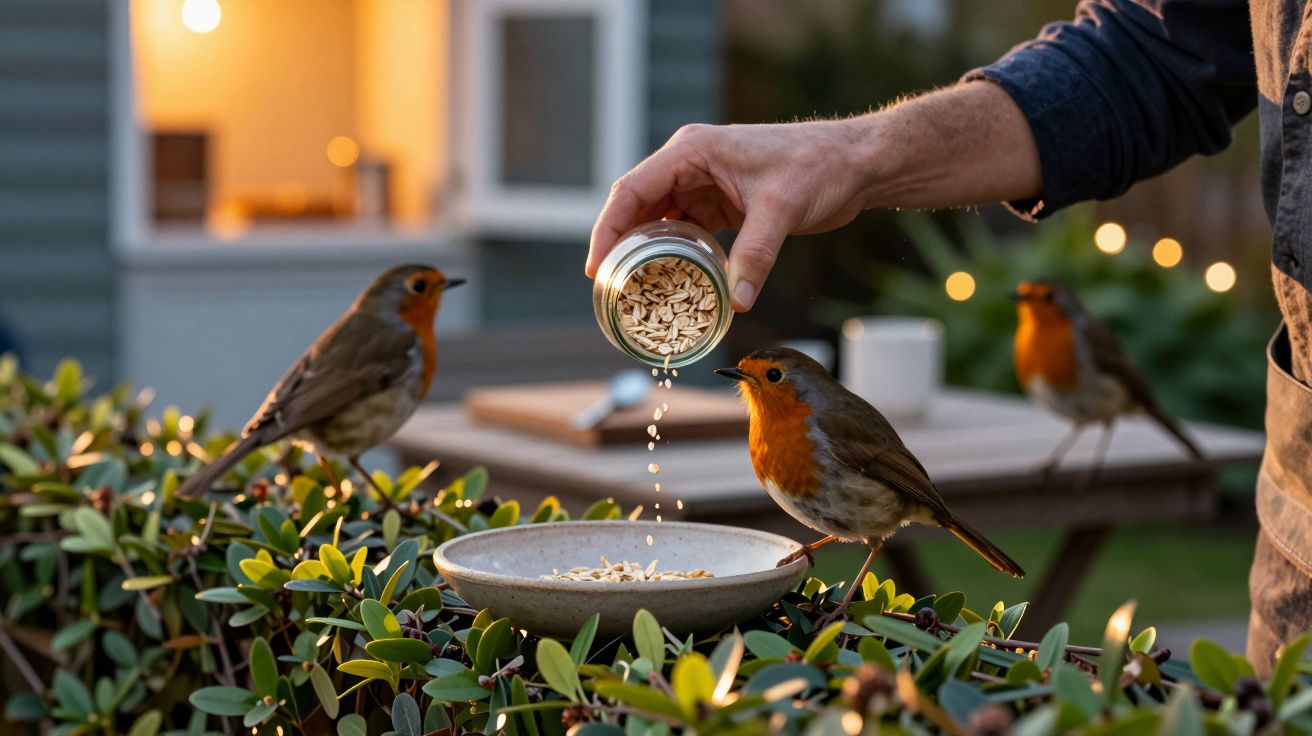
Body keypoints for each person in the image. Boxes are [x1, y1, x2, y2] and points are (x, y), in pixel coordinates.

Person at [587, 0, 1310, 674]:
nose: (754, 382)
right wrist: (852, 151)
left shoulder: (817, 423)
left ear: (798, 388)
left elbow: (890, 478)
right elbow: (1151, 49)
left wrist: (929, 511)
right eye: (751, 376)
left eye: (769, 376)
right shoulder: (770, 432)